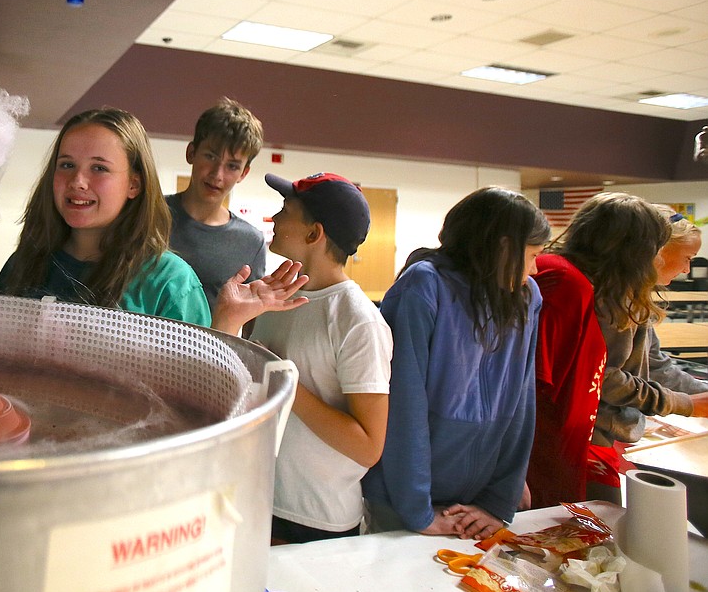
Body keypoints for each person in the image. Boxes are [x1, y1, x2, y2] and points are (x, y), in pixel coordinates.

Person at [0, 107, 306, 331]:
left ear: (134, 184)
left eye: (99, 168)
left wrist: (227, 323)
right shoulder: (24, 263)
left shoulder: (171, 281)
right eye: (66, 165)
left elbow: (195, 392)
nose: (77, 181)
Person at [363, 187, 549, 541]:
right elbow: (403, 405)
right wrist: (416, 510)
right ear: (504, 247)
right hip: (402, 501)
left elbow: (522, 403)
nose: (535, 268)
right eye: (533, 255)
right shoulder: (424, 285)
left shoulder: (527, 297)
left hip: (475, 505)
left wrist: (498, 500)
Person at [224, 172, 392, 544]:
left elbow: (368, 445)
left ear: (314, 234)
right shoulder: (275, 297)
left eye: (285, 209)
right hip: (260, 499)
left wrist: (285, 382)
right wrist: (229, 317)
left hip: (318, 520)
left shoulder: (357, 320)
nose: (274, 218)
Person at [526, 193, 678, 508]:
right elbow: (537, 389)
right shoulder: (567, 281)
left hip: (570, 443)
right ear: (633, 251)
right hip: (549, 449)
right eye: (654, 250)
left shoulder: (589, 286)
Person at [165, 98, 267, 310]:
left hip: (207, 344)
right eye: (210, 157)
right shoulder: (148, 215)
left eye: (232, 166)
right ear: (191, 153)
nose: (217, 175)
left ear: (243, 173)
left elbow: (250, 324)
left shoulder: (250, 242)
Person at [648, 206, 708, 396]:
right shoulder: (616, 300)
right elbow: (613, 380)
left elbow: (656, 365)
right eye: (687, 258)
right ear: (659, 251)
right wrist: (684, 404)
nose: (687, 270)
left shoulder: (636, 299)